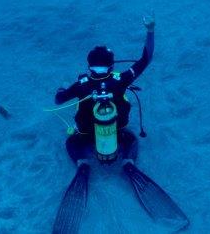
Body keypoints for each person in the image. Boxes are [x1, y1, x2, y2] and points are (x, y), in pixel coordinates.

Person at [54, 14, 155, 166]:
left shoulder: (80, 85)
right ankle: (128, 162)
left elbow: (58, 100)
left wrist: (61, 89)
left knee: (72, 142)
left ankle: (82, 164)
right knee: (130, 139)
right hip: (117, 131)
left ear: (89, 66)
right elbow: (146, 58)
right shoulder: (121, 79)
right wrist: (150, 30)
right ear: (112, 66)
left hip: (86, 134)